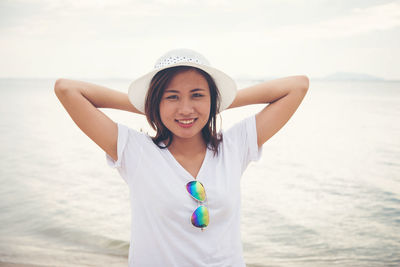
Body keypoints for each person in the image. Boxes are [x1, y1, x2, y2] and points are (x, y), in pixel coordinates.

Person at [54, 48, 309, 266]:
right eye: (171, 97)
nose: (185, 109)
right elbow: (67, 89)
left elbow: (297, 86)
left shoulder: (234, 146)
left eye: (197, 95)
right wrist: (151, 106)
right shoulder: (135, 150)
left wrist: (215, 102)